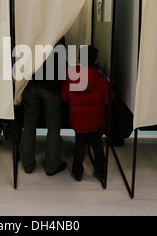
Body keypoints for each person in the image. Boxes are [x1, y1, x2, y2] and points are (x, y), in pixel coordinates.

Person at [60, 45, 112, 182]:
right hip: (96, 120)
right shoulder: (101, 80)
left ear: (78, 59)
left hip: (78, 120)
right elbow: (107, 99)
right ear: (95, 61)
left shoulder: (70, 76)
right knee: (97, 144)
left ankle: (78, 173)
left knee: (79, 145)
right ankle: (100, 172)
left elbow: (65, 97)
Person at [21, 38, 67, 176]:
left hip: (31, 85)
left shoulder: (32, 31)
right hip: (51, 88)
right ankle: (52, 166)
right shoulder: (58, 34)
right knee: (53, 127)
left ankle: (27, 165)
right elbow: (61, 65)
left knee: (29, 126)